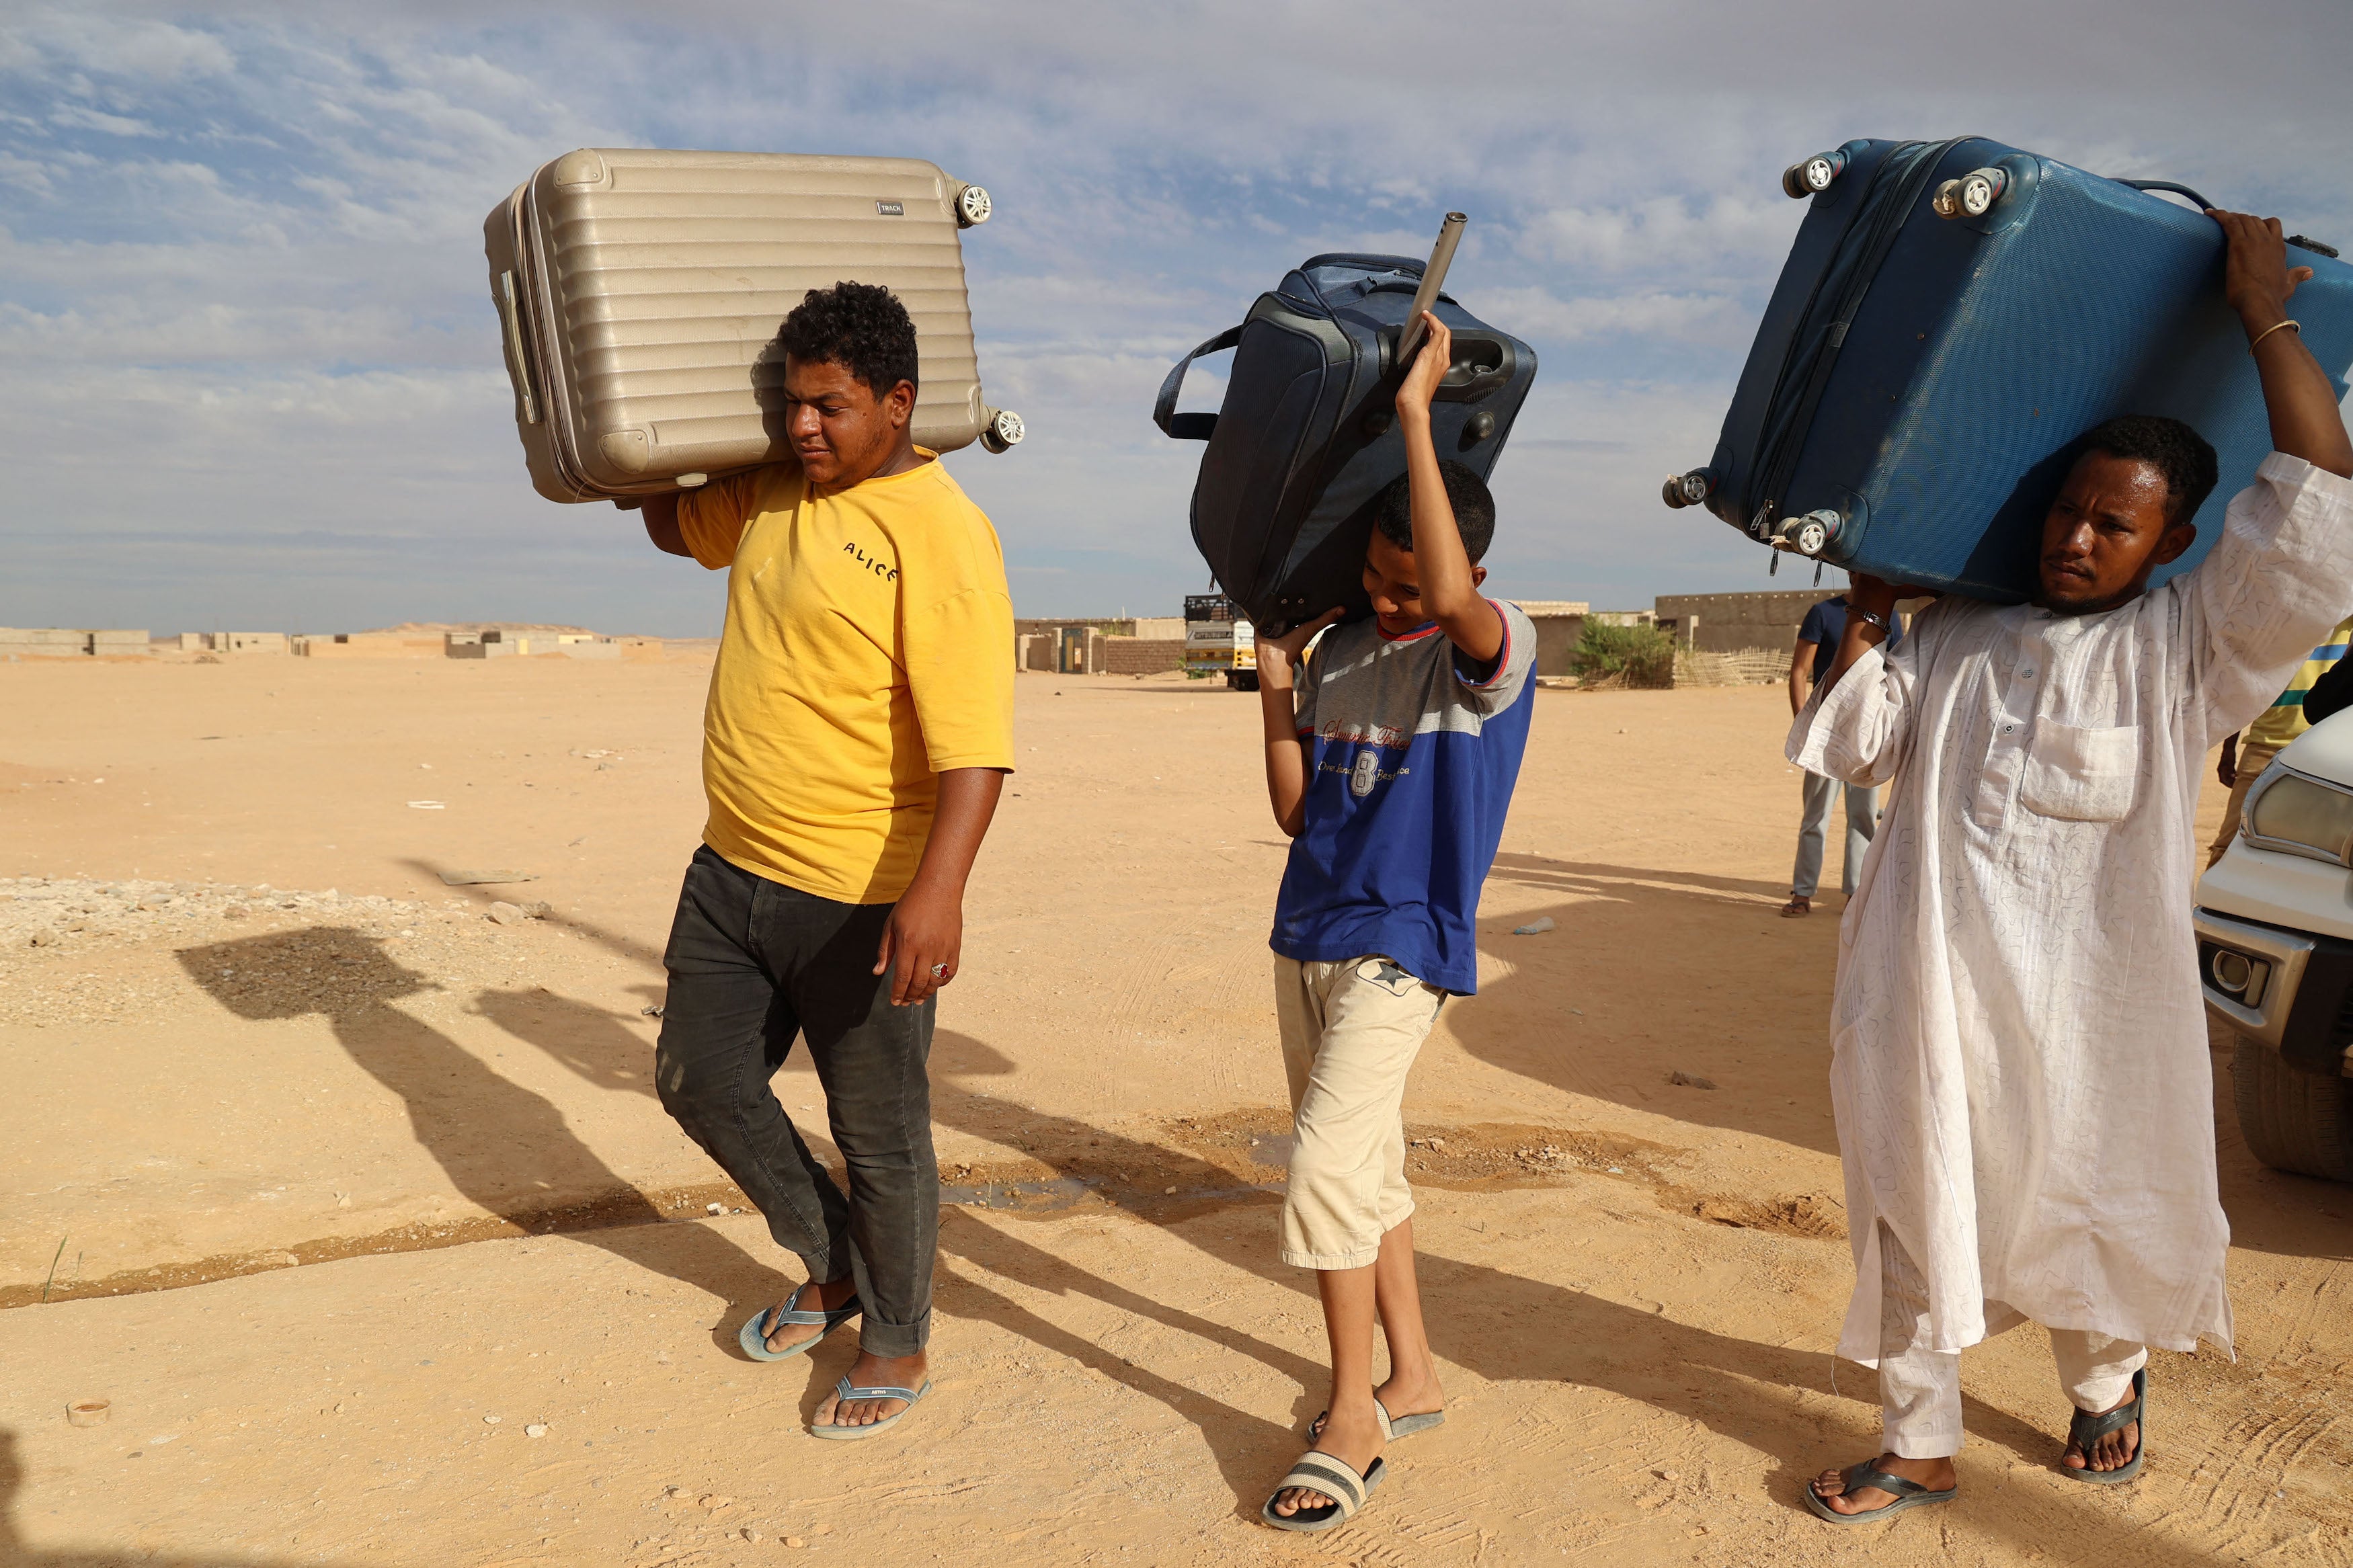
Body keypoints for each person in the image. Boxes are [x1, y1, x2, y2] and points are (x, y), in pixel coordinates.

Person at [1791, 212, 2353, 1524]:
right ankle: (1917, 1439)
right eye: (2062, 511)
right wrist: (1869, 611)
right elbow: (1859, 750)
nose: (2074, 538)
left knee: (2096, 1195)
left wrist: (2260, 308)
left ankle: (2105, 1388)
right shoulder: (1953, 633)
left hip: (2094, 1024)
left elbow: (2321, 495)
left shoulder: (2189, 648)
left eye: (2112, 523)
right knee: (1916, 1206)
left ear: (2171, 543)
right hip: (1928, 1000)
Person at [638, 282, 1014, 1440]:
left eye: (833, 407)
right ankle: (836, 1258)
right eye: (793, 403)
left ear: (899, 404)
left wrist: (937, 892)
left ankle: (897, 1339)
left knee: (881, 1131)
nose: (807, 426)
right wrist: (649, 422)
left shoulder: (941, 534)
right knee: (697, 1078)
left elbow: (977, 748)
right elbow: (665, 526)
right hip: (732, 865)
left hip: (861, 889)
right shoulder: (772, 493)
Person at [1251, 311, 1538, 1532]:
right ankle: (1414, 1370)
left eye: (1406, 580)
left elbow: (1455, 585)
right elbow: (1294, 808)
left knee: (1321, 1166)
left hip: (1401, 945)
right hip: (1306, 933)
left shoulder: (1494, 651)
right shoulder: (1351, 652)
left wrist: (1416, 414)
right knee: (1368, 1166)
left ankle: (1354, 1415)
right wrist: (1274, 682)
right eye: (1377, 578)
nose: (1390, 595)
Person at [2206, 614, 2353, 866]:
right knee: (2228, 845)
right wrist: (2228, 750)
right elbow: (2243, 687)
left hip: (2321, 753)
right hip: (2265, 745)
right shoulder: (2275, 619)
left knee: (2312, 852)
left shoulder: (2346, 614)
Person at [1784, 589, 1884, 917]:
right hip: (1824, 736)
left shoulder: (1889, 613)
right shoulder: (1823, 612)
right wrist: (1806, 724)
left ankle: (1856, 895)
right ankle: (1803, 893)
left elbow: (1893, 670)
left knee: (1864, 817)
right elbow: (1800, 670)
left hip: (1866, 736)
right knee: (1816, 816)